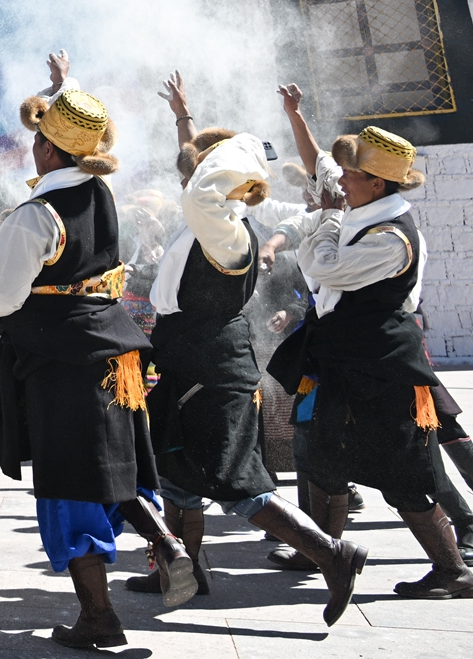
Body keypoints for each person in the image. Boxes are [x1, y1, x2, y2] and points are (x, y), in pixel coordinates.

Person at [0, 57, 196, 648]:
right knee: (114, 466)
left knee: (70, 484)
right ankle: (166, 544)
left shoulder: (34, 216)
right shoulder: (101, 192)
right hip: (117, 354)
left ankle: (99, 618)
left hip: (63, 360)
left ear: (46, 150)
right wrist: (64, 89)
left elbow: (6, 298)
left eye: (38, 139)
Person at [134, 73, 363, 625]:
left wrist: (239, 148)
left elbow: (203, 181)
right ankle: (184, 570)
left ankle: (334, 556)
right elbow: (196, 168)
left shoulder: (224, 229)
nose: (192, 172)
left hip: (211, 366)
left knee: (239, 486)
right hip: (187, 358)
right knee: (178, 473)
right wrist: (184, 118)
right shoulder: (208, 221)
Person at [268, 125, 473, 600]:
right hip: (348, 362)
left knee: (402, 477)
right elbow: (321, 164)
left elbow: (324, 268)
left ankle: (454, 571)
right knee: (323, 460)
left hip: (383, 371)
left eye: (350, 173)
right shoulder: (363, 209)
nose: (340, 179)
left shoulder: (390, 237)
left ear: (377, 183)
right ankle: (325, 553)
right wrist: (295, 115)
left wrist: (325, 219)